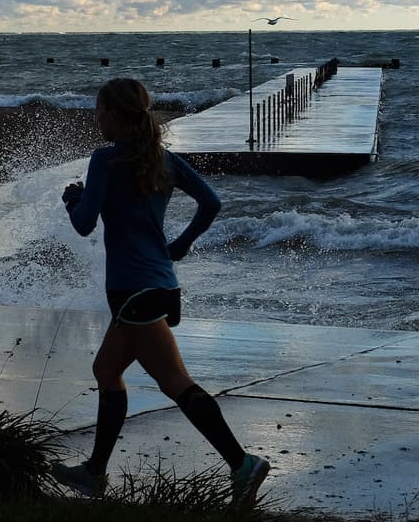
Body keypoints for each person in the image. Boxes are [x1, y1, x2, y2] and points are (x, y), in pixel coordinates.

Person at [52, 77, 269, 508]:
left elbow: (83, 224)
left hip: (133, 292)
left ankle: (242, 463)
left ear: (115, 115)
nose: (96, 119)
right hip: (161, 286)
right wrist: (183, 243)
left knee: (171, 381)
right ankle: (95, 472)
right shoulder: (164, 160)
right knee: (108, 372)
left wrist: (72, 199)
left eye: (99, 111)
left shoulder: (104, 161)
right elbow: (211, 203)